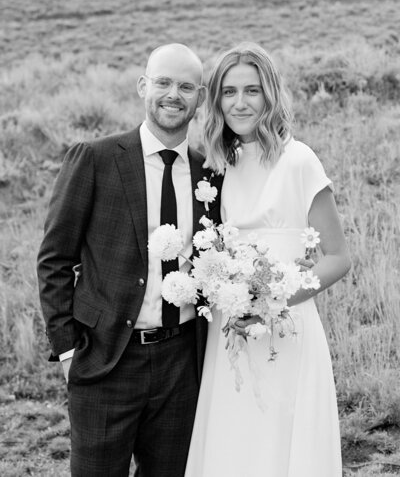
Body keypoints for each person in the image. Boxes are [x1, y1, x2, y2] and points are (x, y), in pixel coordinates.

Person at [37, 43, 222, 477]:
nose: (173, 94)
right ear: (143, 86)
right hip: (105, 360)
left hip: (183, 364)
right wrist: (67, 352)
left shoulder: (209, 174)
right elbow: (54, 259)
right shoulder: (96, 158)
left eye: (186, 86)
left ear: (200, 97)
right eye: (163, 83)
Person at [184, 42, 351, 477]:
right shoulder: (221, 165)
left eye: (252, 91)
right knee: (235, 444)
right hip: (233, 333)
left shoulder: (299, 161)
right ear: (217, 100)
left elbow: (337, 258)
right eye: (229, 91)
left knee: (283, 443)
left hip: (287, 329)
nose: (240, 103)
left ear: (270, 95)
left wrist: (272, 303)